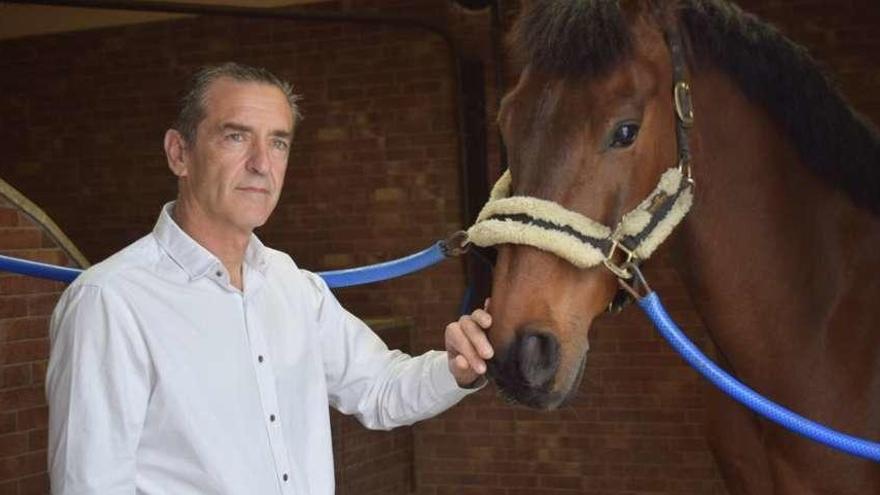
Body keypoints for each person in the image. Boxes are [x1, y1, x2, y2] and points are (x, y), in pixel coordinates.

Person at [46, 62, 494, 495]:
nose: (262, 163)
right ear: (179, 154)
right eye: (236, 136)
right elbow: (90, 486)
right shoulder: (110, 301)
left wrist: (456, 368)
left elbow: (380, 389)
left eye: (278, 143)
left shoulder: (293, 286)